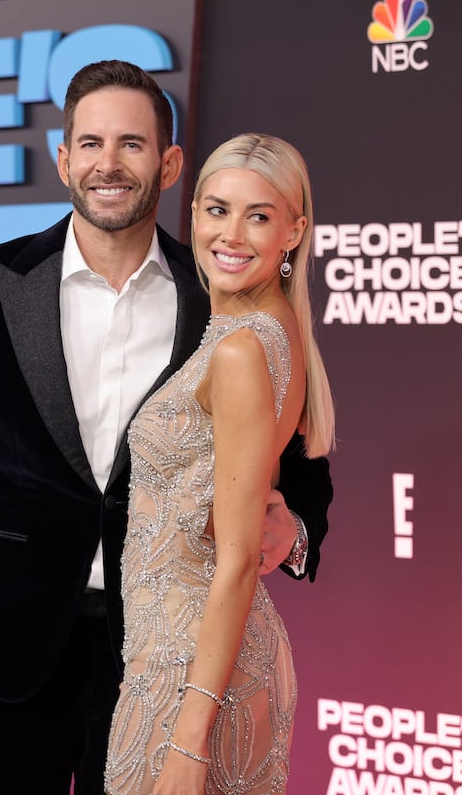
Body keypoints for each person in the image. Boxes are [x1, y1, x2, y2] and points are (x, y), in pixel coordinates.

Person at [0, 62, 332, 795]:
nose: (107, 164)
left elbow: (301, 459)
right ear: (63, 159)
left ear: (170, 164)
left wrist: (294, 525)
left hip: (157, 660)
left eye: (132, 145)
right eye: (89, 143)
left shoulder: (220, 297)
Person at [103, 133, 336, 795]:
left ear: (294, 230)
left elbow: (235, 557)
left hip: (190, 669)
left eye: (258, 216)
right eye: (217, 209)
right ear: (194, 210)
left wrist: (189, 737)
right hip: (191, 652)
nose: (231, 234)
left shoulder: (240, 351)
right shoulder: (268, 325)